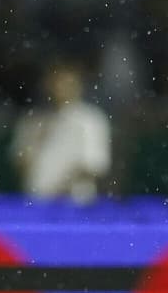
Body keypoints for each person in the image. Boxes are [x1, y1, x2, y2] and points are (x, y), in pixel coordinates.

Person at [10, 60, 112, 203]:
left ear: (78, 85)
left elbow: (94, 165)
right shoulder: (32, 119)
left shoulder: (91, 120)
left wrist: (59, 188)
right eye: (55, 81)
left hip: (74, 204)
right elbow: (20, 161)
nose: (59, 87)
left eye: (66, 82)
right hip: (37, 203)